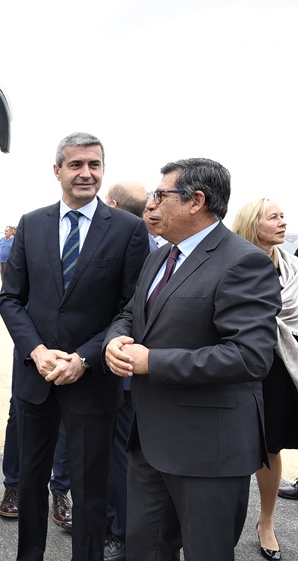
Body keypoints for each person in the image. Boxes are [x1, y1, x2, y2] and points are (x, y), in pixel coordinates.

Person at [104, 159, 281, 561]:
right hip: (149, 443)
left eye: (160, 195)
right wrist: (114, 341)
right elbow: (130, 314)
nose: (151, 203)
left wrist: (153, 362)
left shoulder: (243, 261)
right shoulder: (159, 257)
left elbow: (249, 357)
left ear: (195, 201)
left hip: (209, 452)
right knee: (145, 550)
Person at [0, 132, 149, 561]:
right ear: (57, 170)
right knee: (31, 482)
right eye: (76, 164)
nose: (86, 173)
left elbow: (131, 308)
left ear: (103, 169)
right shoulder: (32, 223)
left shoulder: (128, 230)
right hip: (36, 377)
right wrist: (37, 351)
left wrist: (85, 358)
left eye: (94, 165)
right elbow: (11, 299)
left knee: (90, 489)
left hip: (93, 381)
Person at [232, 198, 298, 561]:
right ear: (252, 224)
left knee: (271, 447)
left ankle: (267, 522)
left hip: (281, 366)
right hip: (240, 364)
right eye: (273, 217)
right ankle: (217, 523)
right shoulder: (234, 262)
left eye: (283, 216)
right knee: (231, 446)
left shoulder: (291, 266)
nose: (282, 222)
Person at [100, 179, 149, 561]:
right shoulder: (153, 245)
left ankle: (120, 532)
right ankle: (110, 523)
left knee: (122, 457)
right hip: (110, 365)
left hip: (129, 373)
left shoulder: (144, 246)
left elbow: (128, 310)